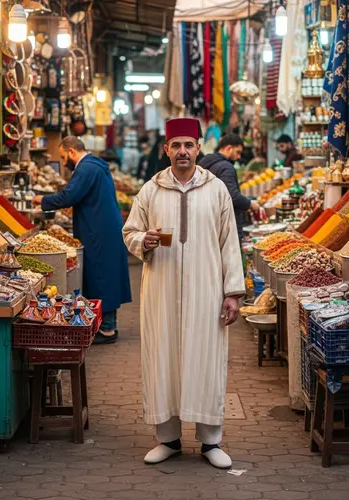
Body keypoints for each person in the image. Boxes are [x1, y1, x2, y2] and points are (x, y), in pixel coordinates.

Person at [122, 118, 245, 469]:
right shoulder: (151, 190)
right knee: (164, 360)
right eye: (176, 145)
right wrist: (141, 240)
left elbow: (229, 244)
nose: (182, 152)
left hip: (207, 294)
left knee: (205, 360)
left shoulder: (217, 189)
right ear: (166, 150)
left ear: (199, 148)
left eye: (188, 145)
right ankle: (168, 440)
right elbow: (130, 231)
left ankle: (211, 442)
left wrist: (232, 293)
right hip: (161, 293)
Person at [33, 136, 132, 345]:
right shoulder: (94, 165)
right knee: (103, 275)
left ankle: (107, 329)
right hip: (101, 228)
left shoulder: (86, 168)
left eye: (62, 157)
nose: (63, 162)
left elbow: (69, 196)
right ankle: (105, 325)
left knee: (101, 276)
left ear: (71, 151)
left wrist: (43, 200)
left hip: (99, 230)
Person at [200, 133, 264, 241]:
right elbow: (232, 196)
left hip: (210, 221)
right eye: (237, 152)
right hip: (227, 224)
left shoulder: (207, 164)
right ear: (229, 148)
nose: (239, 157)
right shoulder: (225, 167)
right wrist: (250, 204)